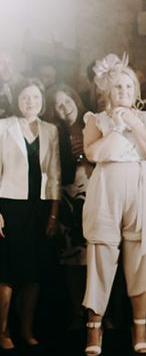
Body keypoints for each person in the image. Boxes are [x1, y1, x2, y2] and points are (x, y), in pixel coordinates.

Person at [81, 54, 146, 356]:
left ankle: (139, 326)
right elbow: (93, 154)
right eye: (118, 87)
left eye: (129, 87)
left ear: (136, 91)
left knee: (141, 254)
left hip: (140, 188)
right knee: (101, 254)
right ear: (108, 91)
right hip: (106, 189)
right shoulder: (96, 119)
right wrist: (115, 127)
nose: (124, 92)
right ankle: (94, 328)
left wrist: (134, 125)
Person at [0, 79, 60, 349]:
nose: (30, 102)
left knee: (34, 271)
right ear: (18, 100)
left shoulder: (51, 130)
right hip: (10, 205)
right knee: (8, 270)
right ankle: (3, 331)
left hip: (40, 205)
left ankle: (27, 329)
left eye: (35, 97)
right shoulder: (4, 127)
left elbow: (56, 174)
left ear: (42, 100)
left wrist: (53, 215)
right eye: (25, 97)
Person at [48, 84, 92, 331]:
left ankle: (96, 311)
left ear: (76, 99)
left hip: (93, 190)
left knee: (93, 256)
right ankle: (77, 310)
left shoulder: (92, 121)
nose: (65, 107)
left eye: (68, 101)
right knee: (71, 257)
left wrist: (87, 155)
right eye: (59, 104)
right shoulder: (56, 132)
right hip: (67, 194)